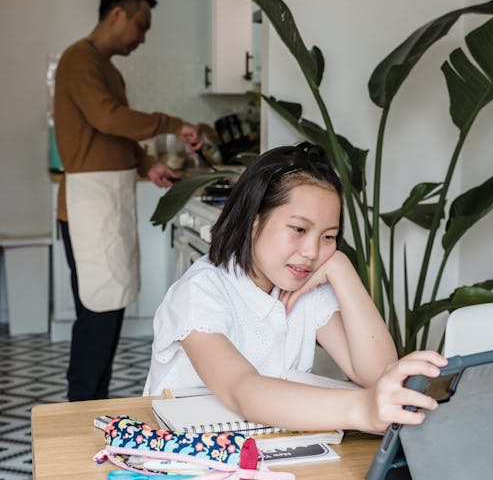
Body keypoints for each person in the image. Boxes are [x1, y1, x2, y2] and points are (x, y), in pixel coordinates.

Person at [144, 143, 447, 434]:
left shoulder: (306, 286)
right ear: (253, 221)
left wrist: (341, 266)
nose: (312, 251)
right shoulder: (199, 293)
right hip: (187, 456)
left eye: (328, 236)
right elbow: (243, 391)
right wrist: (362, 408)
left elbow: (378, 372)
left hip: (266, 453)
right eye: (299, 230)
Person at [55, 0, 202, 402]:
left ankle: (92, 403)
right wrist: (171, 123)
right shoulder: (78, 59)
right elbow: (107, 117)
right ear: (117, 13)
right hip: (87, 206)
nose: (142, 37)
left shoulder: (109, 71)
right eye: (142, 24)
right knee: (97, 316)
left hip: (107, 202)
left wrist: (146, 165)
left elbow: (114, 134)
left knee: (109, 312)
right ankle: (81, 406)